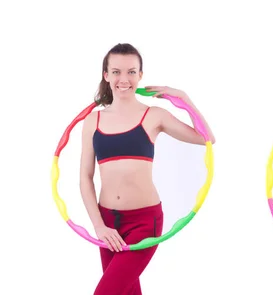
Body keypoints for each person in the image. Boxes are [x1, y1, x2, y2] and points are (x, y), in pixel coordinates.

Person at [79, 43, 216, 295]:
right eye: (117, 71)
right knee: (126, 291)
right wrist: (99, 225)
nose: (124, 79)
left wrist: (184, 99)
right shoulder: (92, 120)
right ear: (106, 75)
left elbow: (206, 138)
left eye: (131, 72)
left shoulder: (154, 115)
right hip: (108, 222)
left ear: (140, 75)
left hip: (145, 221)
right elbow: (85, 178)